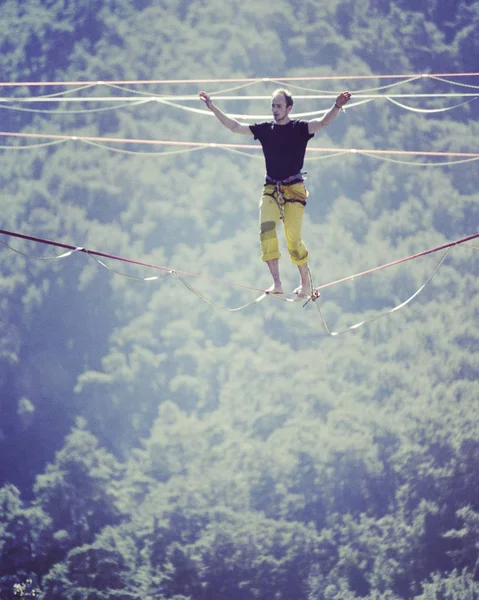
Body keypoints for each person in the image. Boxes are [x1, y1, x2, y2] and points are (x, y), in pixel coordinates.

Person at [199, 87, 351, 298]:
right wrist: (212, 107)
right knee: (266, 232)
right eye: (273, 106)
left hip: (294, 189)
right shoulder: (265, 129)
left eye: (279, 106)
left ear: (289, 108)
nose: (275, 110)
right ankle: (277, 282)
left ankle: (306, 284)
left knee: (293, 239)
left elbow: (322, 122)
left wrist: (337, 106)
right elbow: (235, 127)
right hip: (271, 188)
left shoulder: (299, 128)